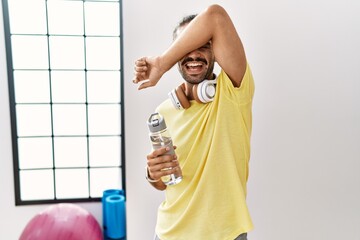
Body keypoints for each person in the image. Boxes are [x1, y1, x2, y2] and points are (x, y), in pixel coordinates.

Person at [133, 4, 254, 240]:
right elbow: (164, 183)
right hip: (168, 233)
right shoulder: (164, 111)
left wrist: (161, 62)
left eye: (203, 44)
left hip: (224, 235)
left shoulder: (235, 91)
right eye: (185, 47)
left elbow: (215, 16)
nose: (194, 54)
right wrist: (153, 174)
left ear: (216, 52)